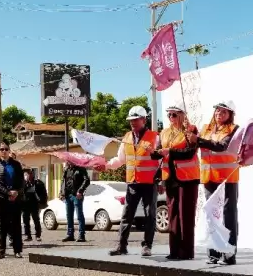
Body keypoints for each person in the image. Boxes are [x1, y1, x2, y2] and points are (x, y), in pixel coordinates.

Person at [104, 105, 163, 257]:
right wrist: (106, 166)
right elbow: (120, 159)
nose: (133, 123)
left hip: (150, 183)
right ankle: (121, 246)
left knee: (150, 215)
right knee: (127, 215)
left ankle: (147, 246)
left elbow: (162, 159)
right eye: (131, 120)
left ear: (144, 120)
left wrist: (161, 180)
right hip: (133, 183)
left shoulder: (155, 137)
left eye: (136, 120)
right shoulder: (127, 138)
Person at [198, 100, 240, 265]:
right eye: (217, 111)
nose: (219, 114)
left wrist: (199, 140)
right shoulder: (205, 129)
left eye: (223, 112)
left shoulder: (234, 130)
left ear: (230, 115)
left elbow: (221, 146)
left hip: (227, 177)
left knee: (228, 215)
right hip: (209, 177)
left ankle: (229, 253)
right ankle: (213, 252)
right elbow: (196, 144)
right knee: (211, 215)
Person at [162, 103, 200, 260]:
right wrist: (154, 153)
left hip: (187, 177)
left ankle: (186, 252)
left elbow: (190, 152)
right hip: (170, 177)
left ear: (182, 115)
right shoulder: (164, 133)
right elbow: (160, 150)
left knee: (186, 215)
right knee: (173, 215)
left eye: (174, 114)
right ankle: (174, 251)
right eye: (169, 115)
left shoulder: (191, 130)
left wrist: (169, 152)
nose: (171, 118)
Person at [0, 143, 24, 259]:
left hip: (15, 196)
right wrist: (7, 192)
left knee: (16, 224)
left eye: (6, 149)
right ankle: (0, 250)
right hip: (0, 197)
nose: (4, 151)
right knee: (1, 224)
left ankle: (18, 250)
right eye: (1, 149)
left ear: (9, 151)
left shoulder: (16, 164)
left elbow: (21, 180)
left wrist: (16, 192)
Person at [59, 161, 90, 243]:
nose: (68, 162)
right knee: (69, 216)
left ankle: (81, 235)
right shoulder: (66, 169)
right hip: (68, 195)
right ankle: (70, 235)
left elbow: (87, 180)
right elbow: (63, 182)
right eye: (67, 161)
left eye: (69, 161)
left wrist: (80, 191)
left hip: (77, 195)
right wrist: (61, 193)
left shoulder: (80, 169)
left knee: (79, 215)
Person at [22, 169, 48, 242]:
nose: (26, 176)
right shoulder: (22, 183)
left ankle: (38, 235)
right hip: (25, 204)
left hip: (34, 204)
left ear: (31, 175)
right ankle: (28, 235)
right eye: (24, 175)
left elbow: (43, 193)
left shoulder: (37, 183)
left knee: (36, 220)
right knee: (26, 221)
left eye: (27, 175)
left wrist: (42, 202)